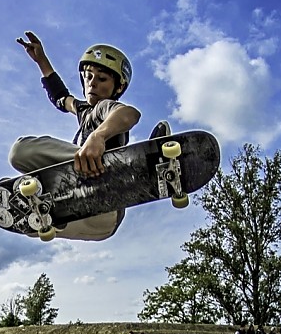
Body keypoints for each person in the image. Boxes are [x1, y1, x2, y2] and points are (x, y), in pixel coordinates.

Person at [9, 31, 170, 241]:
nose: (93, 83)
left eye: (102, 79)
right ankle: (45, 209)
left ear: (118, 87)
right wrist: (41, 60)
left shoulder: (105, 107)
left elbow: (129, 114)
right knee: (17, 161)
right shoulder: (83, 110)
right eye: (88, 77)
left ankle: (141, 166)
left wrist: (99, 136)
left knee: (21, 150)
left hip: (108, 199)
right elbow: (61, 97)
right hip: (91, 222)